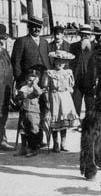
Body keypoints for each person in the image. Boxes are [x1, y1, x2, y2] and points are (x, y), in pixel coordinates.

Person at [11, 15, 51, 148]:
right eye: (33, 26)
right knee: (28, 111)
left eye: (39, 26)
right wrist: (20, 81)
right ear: (29, 27)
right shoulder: (22, 41)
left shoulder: (45, 43)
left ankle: (38, 139)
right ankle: (27, 142)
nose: (36, 29)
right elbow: (15, 62)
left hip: (43, 82)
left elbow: (48, 62)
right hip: (27, 82)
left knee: (43, 109)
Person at [42, 50, 78, 153]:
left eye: (63, 62)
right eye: (58, 61)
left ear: (66, 63)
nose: (60, 64)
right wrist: (47, 100)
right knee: (55, 119)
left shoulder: (68, 73)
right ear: (54, 61)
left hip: (65, 98)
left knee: (64, 120)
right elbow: (45, 87)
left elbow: (71, 86)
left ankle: (63, 143)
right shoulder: (49, 73)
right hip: (54, 97)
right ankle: (55, 144)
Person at [69, 24, 95, 122]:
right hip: (77, 79)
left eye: (87, 35)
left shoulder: (95, 47)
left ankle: (89, 122)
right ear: (80, 34)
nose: (85, 36)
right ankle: (76, 121)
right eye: (83, 34)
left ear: (90, 35)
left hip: (90, 80)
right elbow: (70, 63)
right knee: (76, 102)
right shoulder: (74, 46)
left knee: (90, 103)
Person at [14, 70, 43, 157]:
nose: (31, 82)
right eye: (29, 80)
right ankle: (23, 148)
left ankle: (34, 149)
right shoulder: (24, 88)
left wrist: (35, 84)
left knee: (34, 129)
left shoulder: (36, 88)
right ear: (26, 80)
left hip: (33, 112)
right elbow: (17, 97)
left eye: (33, 81)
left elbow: (38, 93)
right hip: (24, 111)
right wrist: (21, 96)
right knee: (23, 129)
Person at [0, 25, 14, 151]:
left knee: (3, 114)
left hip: (5, 89)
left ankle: (2, 139)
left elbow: (10, 71)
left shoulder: (4, 52)